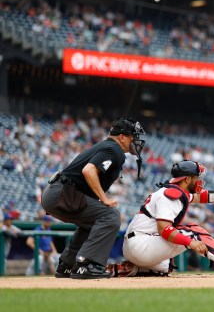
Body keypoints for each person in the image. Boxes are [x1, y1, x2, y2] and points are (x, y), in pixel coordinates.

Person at [110, 160, 214, 277]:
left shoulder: (174, 191)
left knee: (166, 265)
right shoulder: (171, 195)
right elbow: (164, 229)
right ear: (187, 179)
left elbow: (201, 197)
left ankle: (130, 268)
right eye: (196, 177)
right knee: (193, 231)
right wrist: (190, 242)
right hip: (141, 244)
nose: (199, 181)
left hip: (135, 245)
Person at [41, 118, 146, 279]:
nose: (136, 141)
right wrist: (104, 198)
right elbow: (88, 170)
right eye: (134, 136)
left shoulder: (108, 147)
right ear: (123, 137)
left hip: (59, 193)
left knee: (92, 221)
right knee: (110, 216)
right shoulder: (114, 149)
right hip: (63, 193)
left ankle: (68, 265)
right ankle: (87, 264)